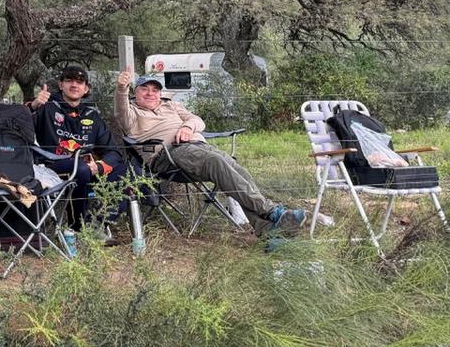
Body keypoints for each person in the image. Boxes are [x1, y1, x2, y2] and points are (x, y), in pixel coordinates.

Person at [114, 66, 307, 236]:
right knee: (218, 163)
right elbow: (120, 112)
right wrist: (121, 89)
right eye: (144, 89)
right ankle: (272, 210)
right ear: (135, 93)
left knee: (232, 167)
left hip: (196, 147)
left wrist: (188, 128)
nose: (150, 93)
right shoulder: (132, 112)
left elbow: (198, 120)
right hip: (168, 155)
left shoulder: (171, 105)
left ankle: (266, 229)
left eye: (155, 90)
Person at [28, 64, 131, 230]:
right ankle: (77, 227)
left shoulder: (92, 115)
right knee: (80, 168)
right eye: (69, 80)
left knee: (127, 171)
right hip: (52, 167)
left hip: (87, 168)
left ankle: (97, 223)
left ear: (86, 89)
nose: (74, 85)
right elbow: (19, 122)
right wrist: (33, 106)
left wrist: (98, 166)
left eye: (80, 82)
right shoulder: (47, 107)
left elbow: (113, 151)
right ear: (61, 85)